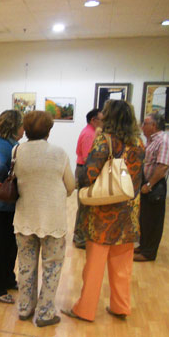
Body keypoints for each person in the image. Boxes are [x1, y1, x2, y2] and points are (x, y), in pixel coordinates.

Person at [63, 100, 145, 321]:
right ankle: (121, 307)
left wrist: (81, 184)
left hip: (102, 214)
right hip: (128, 213)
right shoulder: (139, 143)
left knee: (94, 267)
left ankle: (85, 310)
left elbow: (89, 173)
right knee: (122, 267)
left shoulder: (104, 140)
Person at [13, 111, 75, 327]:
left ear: (26, 129)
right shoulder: (59, 153)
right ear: (49, 130)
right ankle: (45, 312)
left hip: (24, 217)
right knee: (52, 266)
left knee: (25, 266)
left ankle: (24, 307)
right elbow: (70, 185)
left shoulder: (17, 150)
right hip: (53, 220)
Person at [0, 110, 24, 304]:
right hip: (2, 202)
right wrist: (5, 179)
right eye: (22, 124)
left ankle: (7, 278)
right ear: (14, 125)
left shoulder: (7, 143)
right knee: (1, 245)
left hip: (7, 202)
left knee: (10, 244)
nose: (24, 128)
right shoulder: (1, 144)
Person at [134, 111, 169, 262]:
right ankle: (143, 246)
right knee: (145, 218)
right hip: (147, 182)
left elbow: (162, 167)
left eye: (145, 123)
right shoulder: (152, 140)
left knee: (153, 220)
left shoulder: (164, 141)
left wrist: (150, 184)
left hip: (154, 185)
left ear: (154, 125)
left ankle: (148, 252)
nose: (142, 126)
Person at [72, 108, 102, 249]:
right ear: (93, 120)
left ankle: (79, 236)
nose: (103, 122)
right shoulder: (90, 135)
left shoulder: (89, 132)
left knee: (84, 204)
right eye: (101, 119)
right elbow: (87, 157)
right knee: (84, 204)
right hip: (85, 170)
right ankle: (80, 238)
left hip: (84, 169)